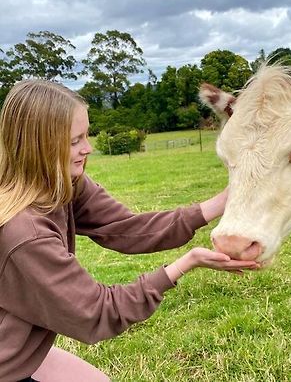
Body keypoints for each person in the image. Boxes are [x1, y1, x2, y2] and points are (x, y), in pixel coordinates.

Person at [0, 80, 259, 382]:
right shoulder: (25, 233)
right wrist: (183, 265)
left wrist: (219, 203)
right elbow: (96, 312)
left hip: (22, 351)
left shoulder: (64, 186)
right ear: (38, 147)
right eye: (74, 141)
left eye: (86, 135)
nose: (88, 148)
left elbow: (129, 229)